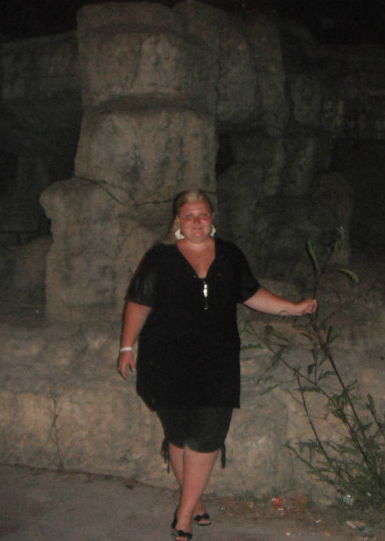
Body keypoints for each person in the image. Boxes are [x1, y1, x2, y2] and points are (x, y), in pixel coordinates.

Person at [117, 190, 317, 541]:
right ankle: (193, 501)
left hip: (217, 360)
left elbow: (252, 294)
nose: (196, 222)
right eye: (189, 216)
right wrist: (126, 346)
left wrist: (294, 308)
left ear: (212, 218)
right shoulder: (160, 257)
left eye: (203, 215)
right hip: (166, 359)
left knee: (208, 435)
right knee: (178, 434)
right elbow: (139, 302)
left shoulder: (229, 253)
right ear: (178, 220)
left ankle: (183, 516)